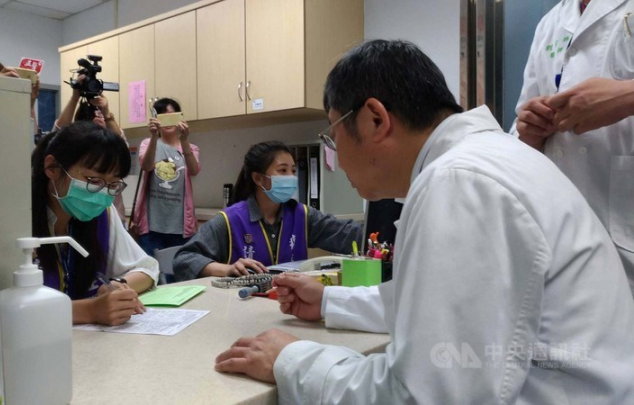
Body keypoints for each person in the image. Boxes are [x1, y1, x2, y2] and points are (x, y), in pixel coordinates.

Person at [214, 40, 634, 404]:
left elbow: (423, 396)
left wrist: (290, 359)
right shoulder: (485, 161)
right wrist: (328, 301)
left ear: (375, 119)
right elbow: (435, 304)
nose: (335, 157)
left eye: (332, 133)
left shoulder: (460, 182)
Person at [512, 0, 634, 295]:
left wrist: (626, 96)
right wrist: (528, 130)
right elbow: (522, 122)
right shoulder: (552, 22)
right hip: (564, 247)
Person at [173, 141, 362, 280]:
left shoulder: (302, 215)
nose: (291, 177)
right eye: (282, 171)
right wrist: (226, 269)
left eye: (293, 171)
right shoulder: (230, 220)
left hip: (289, 305)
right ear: (258, 179)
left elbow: (347, 234)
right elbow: (184, 259)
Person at [32, 121, 159, 326]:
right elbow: (4, 306)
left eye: (113, 184)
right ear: (52, 168)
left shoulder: (103, 213)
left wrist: (117, 286)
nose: (102, 193)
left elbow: (147, 269)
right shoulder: (18, 218)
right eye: (94, 180)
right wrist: (90, 310)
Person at [133, 98, 200, 259]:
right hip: (152, 226)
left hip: (181, 227)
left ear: (180, 117)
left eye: (172, 115)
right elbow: (146, 166)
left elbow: (194, 170)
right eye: (163, 116)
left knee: (180, 275)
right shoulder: (148, 143)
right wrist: (154, 137)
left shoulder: (191, 148)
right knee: (153, 276)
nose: (168, 120)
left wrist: (184, 140)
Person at [54, 78, 127, 222]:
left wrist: (106, 112)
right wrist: (75, 97)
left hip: (112, 215)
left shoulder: (113, 142)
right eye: (92, 114)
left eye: (100, 114)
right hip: (76, 210)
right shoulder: (76, 144)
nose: (98, 116)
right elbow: (58, 134)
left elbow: (121, 149)